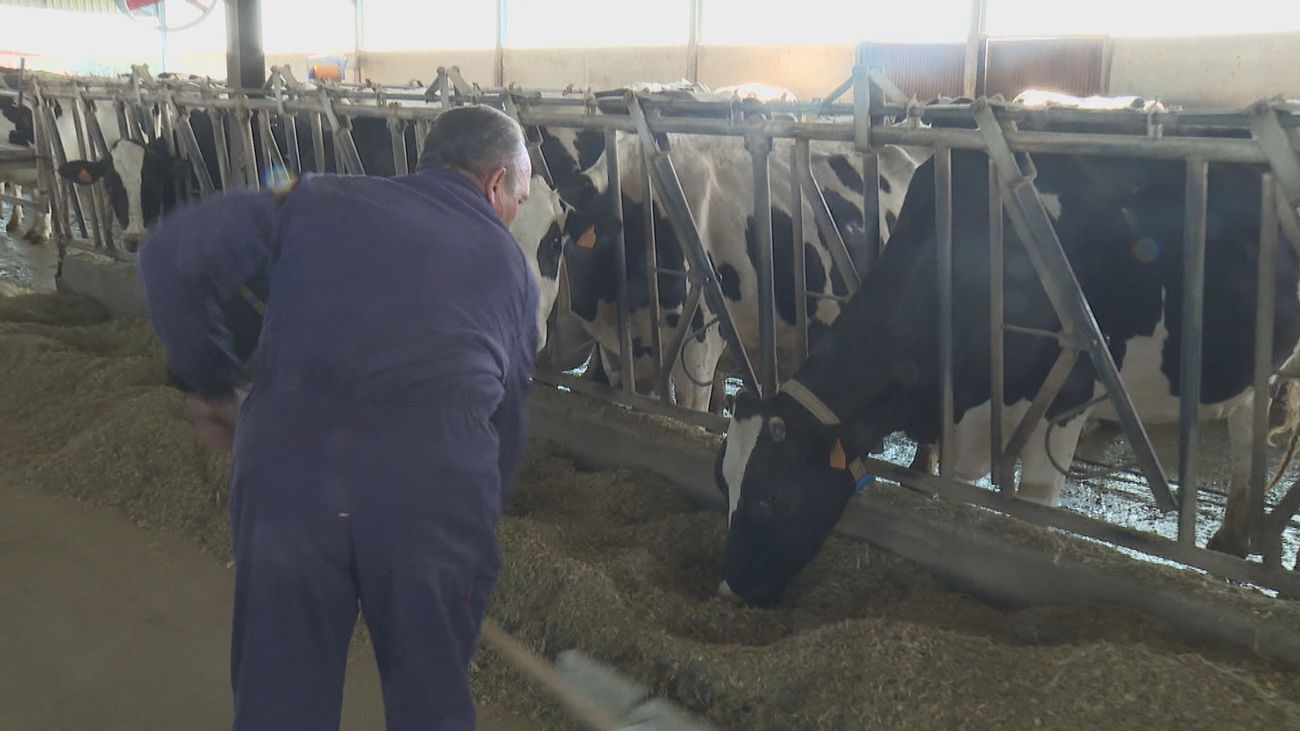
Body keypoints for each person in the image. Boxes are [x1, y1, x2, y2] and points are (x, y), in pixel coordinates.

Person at [137, 105, 539, 731]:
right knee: (430, 697)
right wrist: (472, 533)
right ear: (495, 185)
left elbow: (166, 255)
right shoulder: (513, 270)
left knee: (282, 696)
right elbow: (507, 426)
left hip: (291, 472)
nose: (515, 213)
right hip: (433, 492)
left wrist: (215, 385)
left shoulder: (314, 194)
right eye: (521, 195)